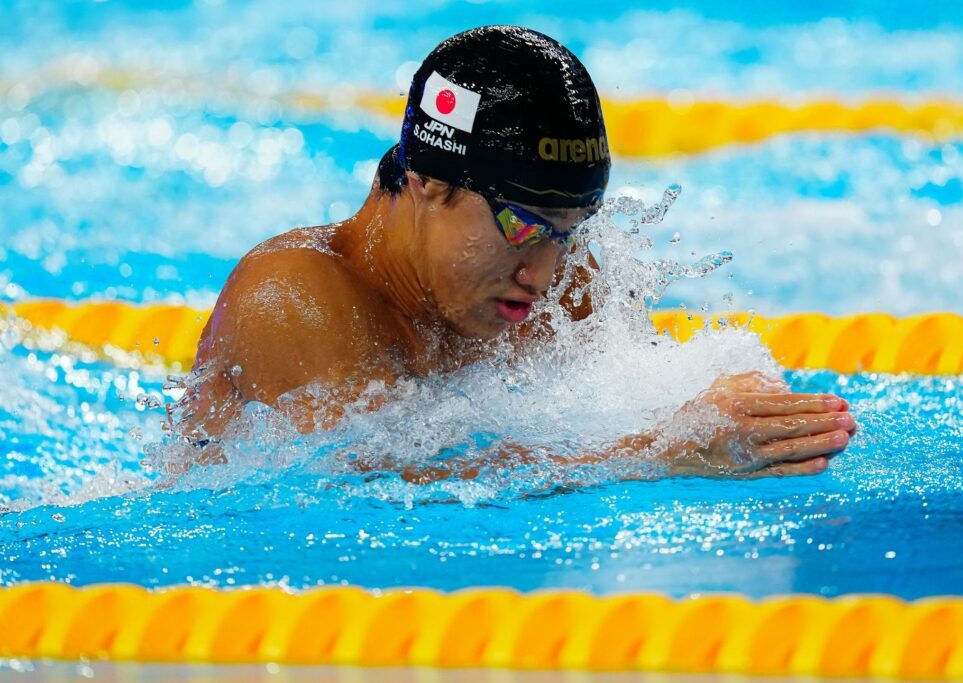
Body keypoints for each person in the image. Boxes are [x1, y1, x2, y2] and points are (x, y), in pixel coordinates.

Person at [174, 26, 855, 480]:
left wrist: (722, 404)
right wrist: (658, 453)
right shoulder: (297, 297)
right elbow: (377, 495)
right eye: (526, 226)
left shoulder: (546, 274)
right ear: (429, 181)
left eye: (570, 229)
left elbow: (643, 397)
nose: (548, 273)